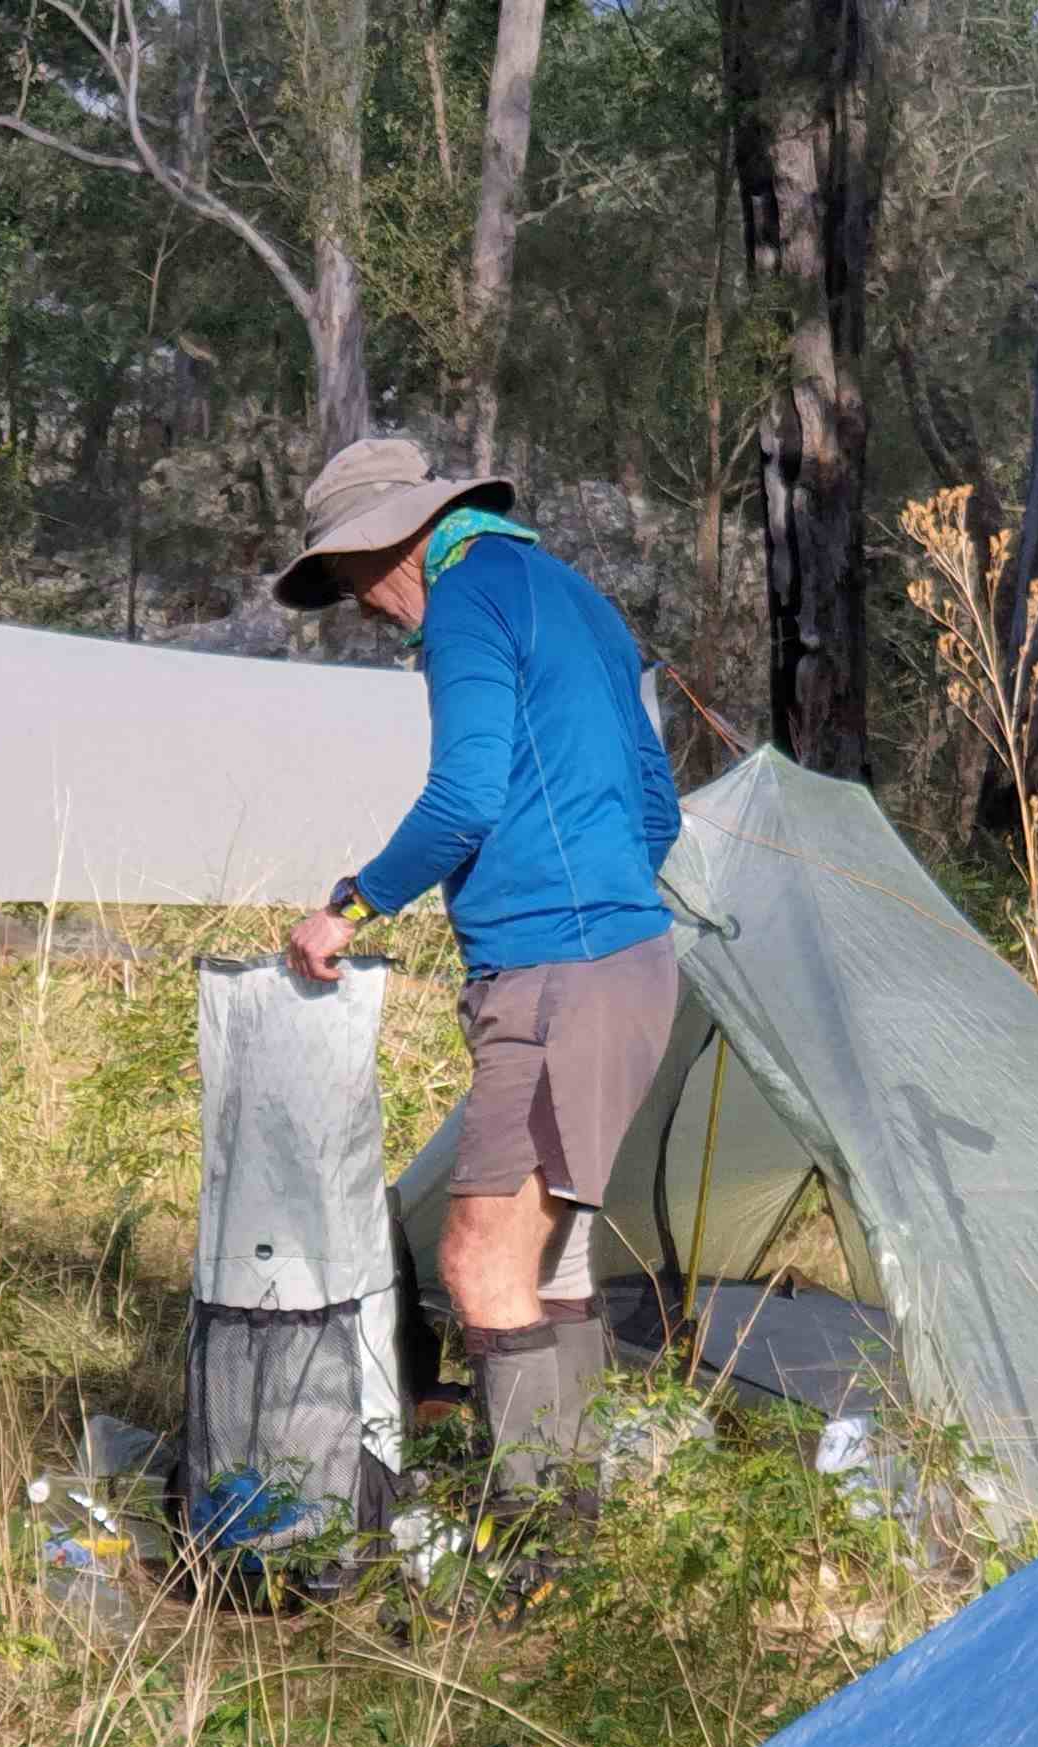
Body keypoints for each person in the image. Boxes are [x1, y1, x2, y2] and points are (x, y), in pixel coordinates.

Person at [275, 435, 683, 1514]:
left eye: (352, 574)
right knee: (550, 1261)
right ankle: (578, 1533)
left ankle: (532, 1537)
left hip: (556, 976)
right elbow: (657, 804)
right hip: (633, 966)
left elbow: (464, 797)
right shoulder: (574, 592)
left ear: (393, 541)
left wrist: (347, 906)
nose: (362, 604)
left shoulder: (463, 601)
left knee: (474, 1261)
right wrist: (599, 898)